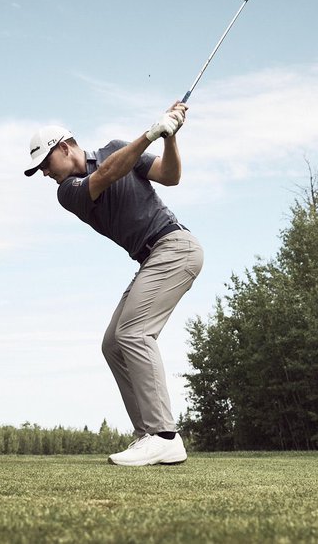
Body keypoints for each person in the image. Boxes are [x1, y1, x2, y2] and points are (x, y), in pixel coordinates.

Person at [24, 102, 204, 466]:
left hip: (175, 247)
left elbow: (170, 176)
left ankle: (165, 435)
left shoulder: (116, 148)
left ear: (64, 147)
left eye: (46, 163)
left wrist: (170, 138)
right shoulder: (68, 191)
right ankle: (148, 436)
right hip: (150, 257)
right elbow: (106, 174)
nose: (45, 173)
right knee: (113, 344)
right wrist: (152, 132)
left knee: (133, 334)